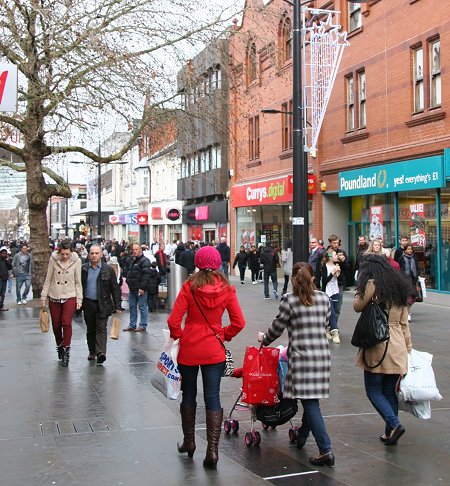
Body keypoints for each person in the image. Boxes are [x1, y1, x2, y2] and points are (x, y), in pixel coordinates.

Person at [167, 246, 245, 469]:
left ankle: (190, 442)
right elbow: (239, 322)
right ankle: (212, 450)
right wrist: (223, 334)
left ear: (198, 263)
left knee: (189, 394)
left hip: (190, 350)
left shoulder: (189, 287)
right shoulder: (227, 289)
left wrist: (181, 337)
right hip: (214, 350)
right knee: (213, 397)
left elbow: (173, 321)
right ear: (219, 263)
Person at [257, 262, 335, 467]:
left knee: (310, 404)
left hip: (301, 358)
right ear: (313, 279)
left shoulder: (289, 300)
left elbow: (277, 328)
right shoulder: (325, 299)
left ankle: (325, 449)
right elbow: (327, 322)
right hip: (322, 357)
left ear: (292, 280)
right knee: (312, 401)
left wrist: (263, 339)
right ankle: (301, 437)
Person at [353, 254, 412, 446]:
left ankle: (394, 425)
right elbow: (404, 323)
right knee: (389, 390)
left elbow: (358, 306)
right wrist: (408, 347)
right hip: (398, 344)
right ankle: (389, 433)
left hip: (379, 341)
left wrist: (360, 290)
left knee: (373, 389)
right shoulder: (399, 287)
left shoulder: (372, 284)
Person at [40, 241, 83, 367]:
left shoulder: (77, 261)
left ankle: (66, 350)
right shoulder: (53, 260)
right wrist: (43, 296)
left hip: (70, 295)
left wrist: (79, 299)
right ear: (59, 252)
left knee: (66, 322)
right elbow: (48, 279)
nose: (65, 257)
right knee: (57, 325)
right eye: (63, 254)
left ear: (71, 252)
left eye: (67, 254)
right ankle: (59, 345)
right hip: (55, 296)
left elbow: (78, 282)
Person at [81, 244, 122, 364]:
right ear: (89, 254)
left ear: (101, 254)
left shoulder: (107, 269)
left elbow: (115, 288)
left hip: (103, 303)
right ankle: (92, 351)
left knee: (101, 328)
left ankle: (100, 352)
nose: (94, 255)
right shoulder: (83, 269)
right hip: (88, 303)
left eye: (96, 253)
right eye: (92, 253)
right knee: (91, 329)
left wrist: (117, 305)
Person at [123, 243, 151, 332]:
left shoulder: (145, 261)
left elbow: (146, 275)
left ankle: (142, 325)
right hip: (132, 288)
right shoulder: (132, 260)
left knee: (142, 307)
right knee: (132, 306)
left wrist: (142, 287)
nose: (134, 251)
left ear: (140, 250)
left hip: (140, 288)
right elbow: (128, 270)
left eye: (136, 249)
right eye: (133, 249)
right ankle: (132, 324)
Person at [320, 249, 341, 344]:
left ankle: (327, 328)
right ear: (329, 257)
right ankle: (335, 332)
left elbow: (341, 279)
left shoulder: (337, 266)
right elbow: (324, 280)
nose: (336, 256)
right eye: (334, 255)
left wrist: (338, 273)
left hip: (336, 291)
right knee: (331, 312)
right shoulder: (325, 267)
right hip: (327, 292)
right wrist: (332, 273)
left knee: (336, 311)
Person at [399, 243, 419, 322]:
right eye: (408, 249)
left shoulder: (414, 258)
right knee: (407, 297)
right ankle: (407, 313)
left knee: (412, 298)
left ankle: (407, 312)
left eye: (411, 249)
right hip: (405, 281)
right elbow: (399, 269)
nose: (410, 250)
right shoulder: (402, 258)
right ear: (405, 250)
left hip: (413, 281)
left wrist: (417, 276)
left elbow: (417, 268)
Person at [0, 246, 12, 311]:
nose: (4, 254)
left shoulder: (6, 260)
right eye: (3, 253)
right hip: (0, 279)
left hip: (5, 279)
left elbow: (10, 267)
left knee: (2, 294)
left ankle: (1, 306)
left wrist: (7, 261)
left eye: (5, 253)